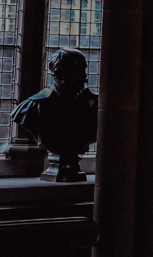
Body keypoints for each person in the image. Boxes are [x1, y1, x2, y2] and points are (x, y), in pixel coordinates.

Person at [10, 47, 97, 181]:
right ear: (58, 71)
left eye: (83, 69)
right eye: (76, 69)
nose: (83, 75)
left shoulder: (92, 104)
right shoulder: (35, 106)